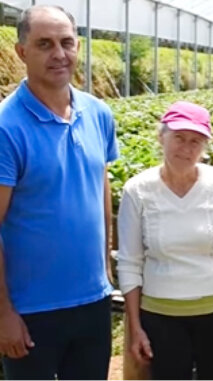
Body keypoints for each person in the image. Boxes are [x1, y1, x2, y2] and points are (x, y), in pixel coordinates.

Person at [0, 5, 118, 379]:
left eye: (67, 43)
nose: (59, 54)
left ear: (78, 46)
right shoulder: (7, 127)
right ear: (22, 52)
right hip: (31, 310)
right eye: (44, 44)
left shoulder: (98, 113)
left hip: (92, 302)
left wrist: (106, 268)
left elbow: (100, 186)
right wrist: (3, 313)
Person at [117, 101, 213, 380]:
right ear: (161, 137)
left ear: (205, 147)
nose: (186, 148)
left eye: (195, 141)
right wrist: (135, 327)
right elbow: (129, 262)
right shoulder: (137, 190)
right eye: (178, 138)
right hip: (161, 315)